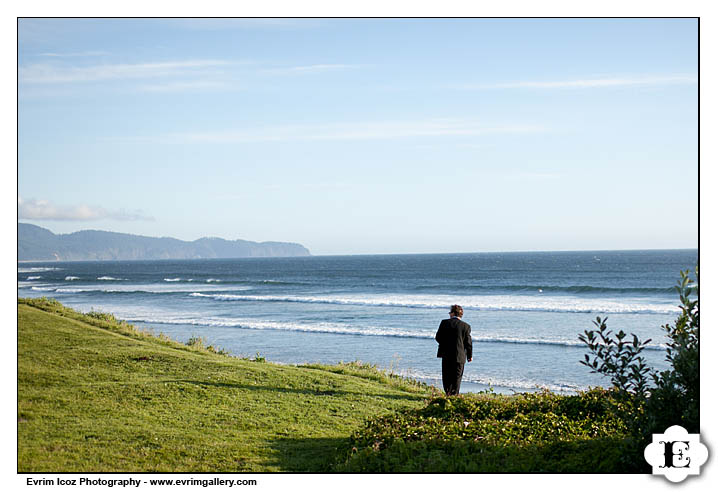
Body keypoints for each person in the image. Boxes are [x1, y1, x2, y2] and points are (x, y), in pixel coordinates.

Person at [435, 304, 472, 396]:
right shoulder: (466, 326)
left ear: (452, 313)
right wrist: (469, 356)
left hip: (446, 354)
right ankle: (454, 394)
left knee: (446, 376)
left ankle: (448, 392)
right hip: (460, 355)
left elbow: (438, 337)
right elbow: (468, 343)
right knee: (457, 377)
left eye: (449, 312)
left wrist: (445, 344)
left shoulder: (444, 323)